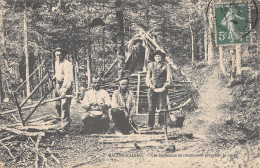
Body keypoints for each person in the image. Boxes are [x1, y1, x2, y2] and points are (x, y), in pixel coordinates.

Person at [146, 50, 171, 129]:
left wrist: (165, 85)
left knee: (162, 106)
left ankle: (162, 124)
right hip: (152, 88)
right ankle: (150, 125)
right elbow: (148, 77)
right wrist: (150, 85)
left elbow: (169, 77)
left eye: (159, 56)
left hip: (163, 88)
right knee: (151, 106)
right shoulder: (150, 65)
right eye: (156, 56)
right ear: (154, 57)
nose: (158, 58)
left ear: (162, 57)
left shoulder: (166, 65)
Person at [53, 47, 74, 131]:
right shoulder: (56, 63)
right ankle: (63, 121)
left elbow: (67, 78)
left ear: (63, 55)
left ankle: (65, 125)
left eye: (60, 55)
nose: (58, 57)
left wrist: (64, 88)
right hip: (58, 85)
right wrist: (54, 77)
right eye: (56, 55)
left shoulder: (67, 64)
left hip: (66, 86)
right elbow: (57, 73)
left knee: (64, 106)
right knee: (57, 105)